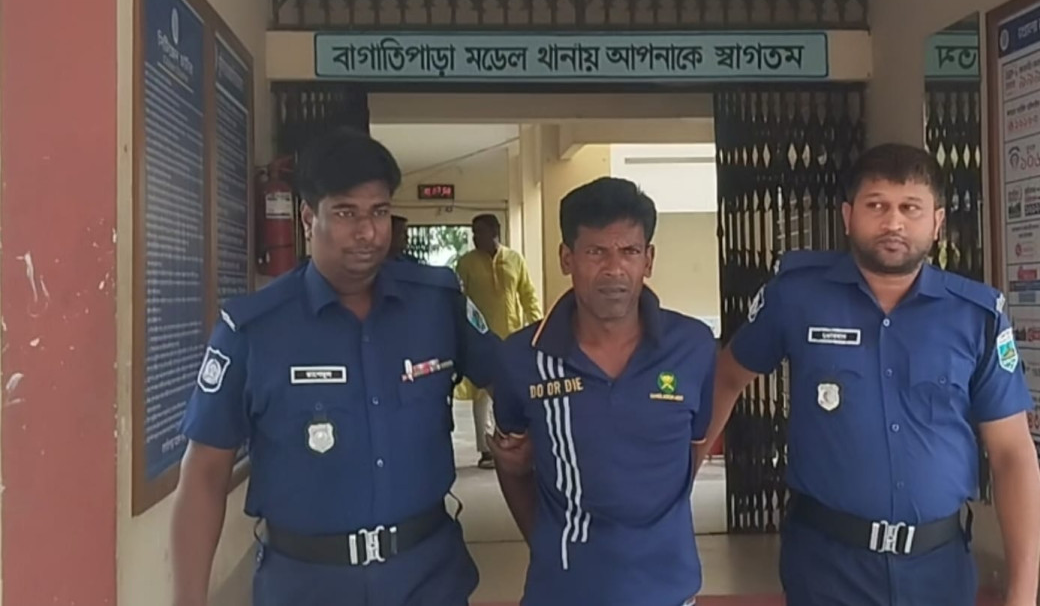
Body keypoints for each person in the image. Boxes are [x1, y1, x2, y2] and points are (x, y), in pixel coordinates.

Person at [699, 143, 1040, 606]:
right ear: (848, 216)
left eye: (910, 208)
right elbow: (726, 378)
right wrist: (679, 484)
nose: (893, 223)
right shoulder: (797, 296)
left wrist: (1023, 596)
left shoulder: (976, 317)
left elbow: (1012, 455)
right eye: (876, 206)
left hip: (938, 569)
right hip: (828, 566)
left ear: (937, 222)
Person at [170, 127, 502, 606]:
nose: (367, 232)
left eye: (379, 212)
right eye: (346, 213)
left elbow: (514, 385)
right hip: (307, 585)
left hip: (427, 579)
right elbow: (204, 473)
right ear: (308, 217)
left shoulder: (436, 305)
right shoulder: (254, 331)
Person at [488, 176, 715, 606]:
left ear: (648, 259)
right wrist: (552, 548)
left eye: (629, 251)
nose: (614, 269)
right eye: (596, 252)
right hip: (562, 595)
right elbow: (512, 464)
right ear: (566, 258)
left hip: (668, 593)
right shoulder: (521, 357)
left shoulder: (693, 346)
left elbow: (692, 449)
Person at [454, 212, 542, 469]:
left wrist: (538, 326)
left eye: (479, 232)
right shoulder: (466, 263)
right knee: (482, 395)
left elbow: (527, 295)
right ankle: (486, 450)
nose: (474, 237)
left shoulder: (515, 260)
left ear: (495, 232)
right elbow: (460, 302)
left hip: (511, 336)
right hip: (481, 340)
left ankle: (508, 439)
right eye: (473, 232)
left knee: (510, 392)